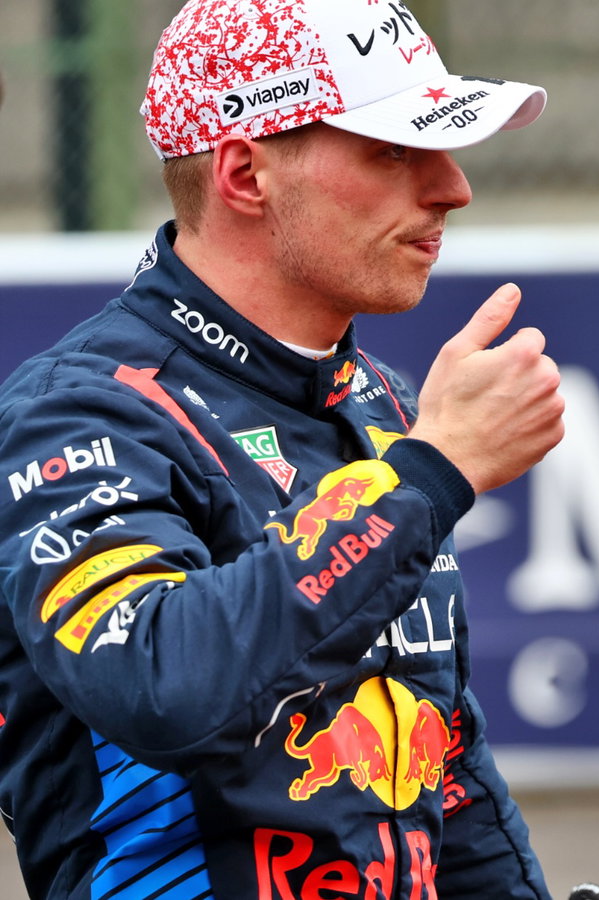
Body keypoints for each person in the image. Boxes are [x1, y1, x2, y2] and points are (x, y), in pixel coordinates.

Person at [0, 1, 565, 897]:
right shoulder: (79, 415)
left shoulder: (382, 405)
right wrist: (426, 478)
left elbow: (441, 768)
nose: (453, 187)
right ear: (244, 174)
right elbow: (164, 685)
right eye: (395, 151)